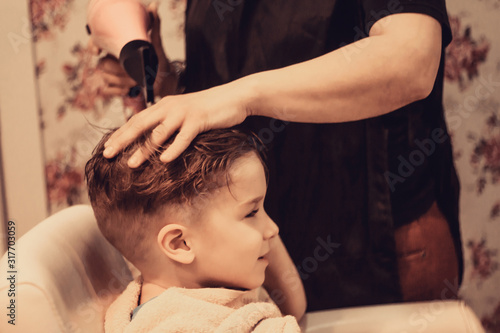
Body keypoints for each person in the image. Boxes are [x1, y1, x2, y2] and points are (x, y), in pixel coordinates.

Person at [93, 0, 463, 310]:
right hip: (250, 249)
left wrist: (241, 96)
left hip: (373, 234)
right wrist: (162, 79)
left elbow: (410, 59)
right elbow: (218, 87)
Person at [85, 128, 305, 332]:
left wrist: (260, 241)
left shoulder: (211, 284)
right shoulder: (177, 326)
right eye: (251, 213)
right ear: (180, 243)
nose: (273, 229)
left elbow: (294, 307)